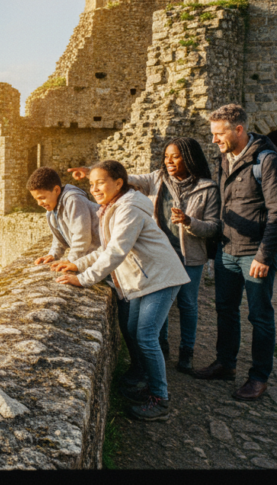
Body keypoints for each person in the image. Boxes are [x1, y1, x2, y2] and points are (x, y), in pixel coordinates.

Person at [68, 137, 221, 374]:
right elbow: (124, 179)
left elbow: (213, 227)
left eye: (175, 157)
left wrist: (190, 222)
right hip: (159, 253)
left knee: (187, 305)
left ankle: (186, 353)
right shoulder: (159, 178)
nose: (168, 161)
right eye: (166, 157)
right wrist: (92, 173)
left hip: (189, 253)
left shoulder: (207, 188)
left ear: (190, 158)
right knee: (161, 311)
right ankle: (160, 349)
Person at [54, 160, 190, 420]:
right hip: (143, 280)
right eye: (91, 184)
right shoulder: (111, 207)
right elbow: (106, 249)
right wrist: (76, 263)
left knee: (147, 336)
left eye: (100, 182)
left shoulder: (129, 208)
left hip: (160, 277)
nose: (94, 189)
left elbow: (116, 251)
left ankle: (160, 399)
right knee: (132, 330)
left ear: (118, 183)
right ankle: (148, 384)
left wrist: (83, 279)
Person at [193, 103, 277, 401]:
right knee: (225, 309)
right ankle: (225, 363)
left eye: (218, 133)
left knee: (259, 316)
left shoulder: (268, 161)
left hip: (255, 253)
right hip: (227, 250)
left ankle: (259, 377)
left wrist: (264, 256)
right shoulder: (226, 158)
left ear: (239, 129)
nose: (214, 140)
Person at [27, 167, 148, 388]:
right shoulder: (52, 208)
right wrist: (53, 254)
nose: (40, 203)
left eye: (42, 197)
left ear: (56, 190)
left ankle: (142, 370)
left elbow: (81, 238)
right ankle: (139, 367)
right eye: (36, 199)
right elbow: (60, 235)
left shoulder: (73, 200)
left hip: (106, 261)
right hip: (97, 262)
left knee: (131, 321)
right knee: (129, 320)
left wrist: (72, 264)